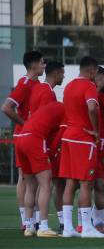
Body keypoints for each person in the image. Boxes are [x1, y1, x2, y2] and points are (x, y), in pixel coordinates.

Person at [59, 56, 103, 238]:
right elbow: (92, 107)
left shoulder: (69, 85)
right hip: (83, 138)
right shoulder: (89, 86)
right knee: (86, 183)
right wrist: (95, 130)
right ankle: (86, 227)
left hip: (68, 137)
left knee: (70, 183)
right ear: (92, 70)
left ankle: (68, 228)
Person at [1, 50, 44, 230]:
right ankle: (25, 220)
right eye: (42, 63)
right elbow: (7, 107)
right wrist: (26, 124)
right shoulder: (25, 83)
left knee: (32, 178)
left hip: (30, 135)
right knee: (25, 178)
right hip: (24, 135)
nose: (44, 65)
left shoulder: (35, 83)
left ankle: (31, 218)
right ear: (33, 65)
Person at [16, 102, 65, 237]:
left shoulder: (53, 107)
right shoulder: (66, 111)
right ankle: (43, 226)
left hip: (21, 138)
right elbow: (59, 138)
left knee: (30, 186)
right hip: (34, 139)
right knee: (46, 184)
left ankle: (29, 226)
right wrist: (51, 155)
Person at [29, 61, 65, 231]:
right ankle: (42, 225)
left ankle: (32, 223)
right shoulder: (48, 94)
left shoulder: (37, 88)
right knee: (46, 184)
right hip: (39, 141)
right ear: (57, 73)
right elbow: (46, 122)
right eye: (62, 73)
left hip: (27, 137)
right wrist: (51, 148)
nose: (64, 76)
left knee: (33, 184)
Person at [91, 66, 104, 231]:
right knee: (102, 182)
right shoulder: (97, 96)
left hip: (103, 141)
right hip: (101, 141)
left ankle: (98, 220)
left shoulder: (102, 94)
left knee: (103, 183)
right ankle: (99, 221)